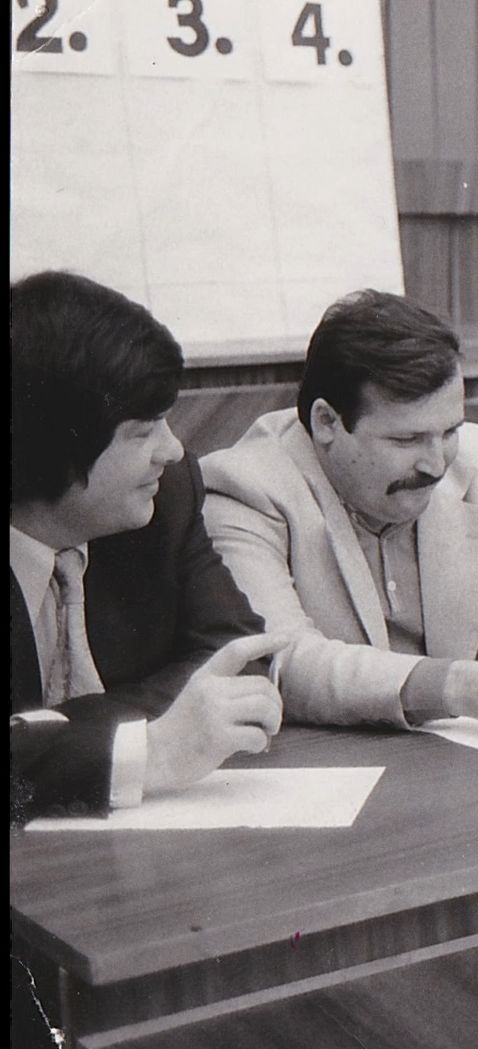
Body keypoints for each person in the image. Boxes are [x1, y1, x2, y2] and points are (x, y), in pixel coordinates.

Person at [201, 290, 478, 743]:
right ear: (327, 422)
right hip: (328, 759)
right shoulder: (246, 486)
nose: (436, 464)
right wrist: (457, 687)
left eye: (449, 431)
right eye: (407, 440)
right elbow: (280, 662)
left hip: (465, 760)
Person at [9, 270, 285, 831]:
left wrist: (54, 740)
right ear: (54, 445)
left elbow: (238, 656)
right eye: (143, 431)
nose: (174, 449)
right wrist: (148, 751)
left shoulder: (164, 496)